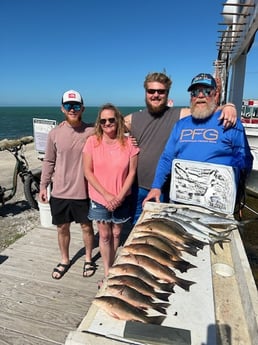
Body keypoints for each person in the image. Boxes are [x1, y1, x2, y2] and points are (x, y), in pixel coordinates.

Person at [124, 72, 238, 224]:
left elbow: (205, 107)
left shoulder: (179, 115)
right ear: (146, 92)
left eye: (161, 91)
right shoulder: (132, 119)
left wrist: (229, 106)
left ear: (167, 94)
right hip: (136, 187)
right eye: (151, 91)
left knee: (160, 231)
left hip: (163, 188)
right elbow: (105, 128)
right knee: (136, 229)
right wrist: (124, 139)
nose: (156, 95)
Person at [143, 73, 253, 211]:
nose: (200, 96)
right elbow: (167, 158)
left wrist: (235, 189)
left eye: (206, 91)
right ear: (191, 97)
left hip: (217, 205)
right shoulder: (180, 125)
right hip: (181, 202)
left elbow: (245, 160)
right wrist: (156, 187)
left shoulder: (231, 123)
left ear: (216, 94)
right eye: (195, 92)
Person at [39, 90, 96, 280]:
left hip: (83, 191)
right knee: (62, 228)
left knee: (87, 227)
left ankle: (88, 258)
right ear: (62, 108)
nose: (73, 109)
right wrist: (43, 186)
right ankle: (65, 259)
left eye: (76, 106)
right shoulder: (54, 134)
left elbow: (115, 136)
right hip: (60, 191)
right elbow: (48, 162)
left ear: (83, 108)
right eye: (69, 106)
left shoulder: (93, 131)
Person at [83, 103, 139, 285]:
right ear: (99, 123)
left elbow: (132, 172)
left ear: (118, 120)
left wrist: (120, 196)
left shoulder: (129, 142)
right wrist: (107, 195)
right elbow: (88, 172)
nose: (108, 123)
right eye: (103, 120)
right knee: (104, 235)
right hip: (100, 198)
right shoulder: (92, 142)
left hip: (121, 197)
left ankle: (114, 268)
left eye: (111, 119)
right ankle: (108, 273)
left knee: (116, 234)